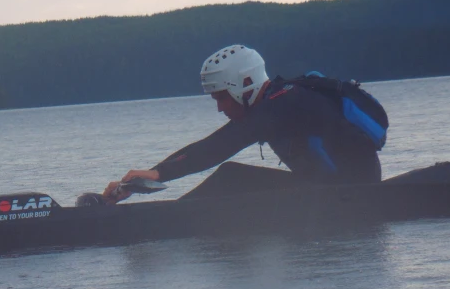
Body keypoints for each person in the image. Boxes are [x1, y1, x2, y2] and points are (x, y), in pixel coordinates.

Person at [103, 44, 388, 203]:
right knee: (233, 181)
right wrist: (157, 173)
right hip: (333, 192)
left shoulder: (282, 105)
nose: (219, 108)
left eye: (222, 98)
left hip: (349, 197)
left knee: (231, 177)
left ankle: (166, 224)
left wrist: (157, 173)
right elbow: (220, 141)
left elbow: (217, 147)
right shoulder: (279, 98)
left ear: (245, 85)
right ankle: (176, 221)